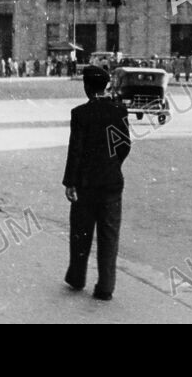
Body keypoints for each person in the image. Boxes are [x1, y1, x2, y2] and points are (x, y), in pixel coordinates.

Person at [63, 66, 131, 300]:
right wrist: (112, 164)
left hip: (86, 183)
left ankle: (77, 277)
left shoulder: (80, 113)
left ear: (87, 87)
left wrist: (70, 182)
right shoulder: (119, 110)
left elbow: (76, 151)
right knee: (109, 235)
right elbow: (124, 146)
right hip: (112, 182)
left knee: (81, 233)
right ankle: (105, 287)